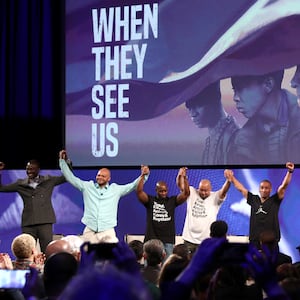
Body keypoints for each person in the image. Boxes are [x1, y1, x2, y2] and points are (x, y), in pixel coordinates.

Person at [58, 149, 149, 243]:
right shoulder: (88, 187)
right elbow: (71, 178)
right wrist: (62, 161)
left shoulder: (115, 189)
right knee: (86, 255)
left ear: (109, 178)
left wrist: (144, 176)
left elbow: (133, 185)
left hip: (107, 230)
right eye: (98, 175)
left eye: (103, 176)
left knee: (110, 255)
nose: (100, 177)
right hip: (90, 230)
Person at [228, 70, 300, 164]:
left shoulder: (297, 118)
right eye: (235, 90)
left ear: (268, 84)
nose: (235, 98)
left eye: (241, 88)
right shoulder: (242, 140)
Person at [0, 160, 72, 253]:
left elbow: (66, 177)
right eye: (28, 169)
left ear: (38, 170)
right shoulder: (20, 184)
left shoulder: (48, 180)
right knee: (27, 251)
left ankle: (47, 267)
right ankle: (28, 267)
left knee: (47, 250)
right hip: (28, 223)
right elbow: (1, 188)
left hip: (45, 222)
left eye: (32, 169)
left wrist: (67, 163)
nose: (29, 171)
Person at [225, 162, 294, 248]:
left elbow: (284, 186)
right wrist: (232, 178)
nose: (264, 190)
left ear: (270, 189)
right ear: (259, 189)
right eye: (262, 188)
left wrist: (290, 172)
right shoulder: (254, 199)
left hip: (271, 242)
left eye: (266, 188)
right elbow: (241, 189)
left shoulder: (275, 200)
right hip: (255, 242)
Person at [136, 167, 189, 258]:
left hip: (167, 240)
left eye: (165, 191)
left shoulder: (172, 201)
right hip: (151, 239)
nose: (163, 193)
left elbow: (186, 194)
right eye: (161, 191)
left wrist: (184, 178)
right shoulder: (150, 201)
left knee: (166, 266)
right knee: (149, 265)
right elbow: (139, 191)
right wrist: (143, 176)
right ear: (156, 190)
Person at [185, 81, 239, 164]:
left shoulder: (234, 138)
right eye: (189, 107)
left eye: (199, 104)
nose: (193, 114)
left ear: (215, 97)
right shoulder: (210, 141)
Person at [180, 168, 231, 255]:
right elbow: (182, 187)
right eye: (201, 190)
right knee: (187, 265)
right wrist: (183, 176)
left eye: (206, 190)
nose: (203, 193)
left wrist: (228, 181)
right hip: (189, 240)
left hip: (206, 241)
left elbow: (224, 191)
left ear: (210, 189)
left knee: (205, 265)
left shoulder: (215, 197)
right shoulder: (192, 192)